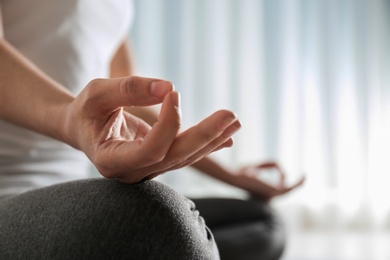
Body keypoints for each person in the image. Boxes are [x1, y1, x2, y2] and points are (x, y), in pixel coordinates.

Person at [0, 1, 303, 259]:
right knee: (159, 217)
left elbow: (129, 106)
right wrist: (69, 118)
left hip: (65, 191)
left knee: (263, 223)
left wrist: (233, 175)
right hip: (7, 190)